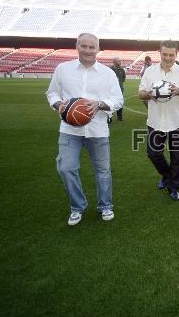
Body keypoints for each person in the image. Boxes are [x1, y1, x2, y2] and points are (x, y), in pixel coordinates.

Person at [45, 33, 124, 226]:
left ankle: (105, 205)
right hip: (69, 130)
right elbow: (52, 92)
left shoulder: (107, 73)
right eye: (84, 46)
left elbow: (118, 100)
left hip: (97, 130)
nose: (88, 50)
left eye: (92, 47)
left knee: (103, 171)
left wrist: (100, 104)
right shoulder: (63, 69)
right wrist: (58, 105)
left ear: (98, 49)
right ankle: (77, 206)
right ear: (77, 46)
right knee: (66, 167)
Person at [138, 40, 179, 201]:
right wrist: (151, 93)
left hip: (176, 122)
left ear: (176, 55)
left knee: (177, 157)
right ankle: (167, 175)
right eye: (165, 54)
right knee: (153, 153)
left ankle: (174, 187)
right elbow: (140, 94)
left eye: (171, 55)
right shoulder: (150, 72)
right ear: (160, 53)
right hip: (155, 122)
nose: (168, 58)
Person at [110, 57, 126, 121]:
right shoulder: (110, 69)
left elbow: (124, 78)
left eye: (120, 61)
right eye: (118, 61)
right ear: (114, 62)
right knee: (110, 103)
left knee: (120, 103)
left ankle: (119, 117)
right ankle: (110, 117)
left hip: (120, 89)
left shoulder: (122, 69)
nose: (120, 62)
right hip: (111, 90)